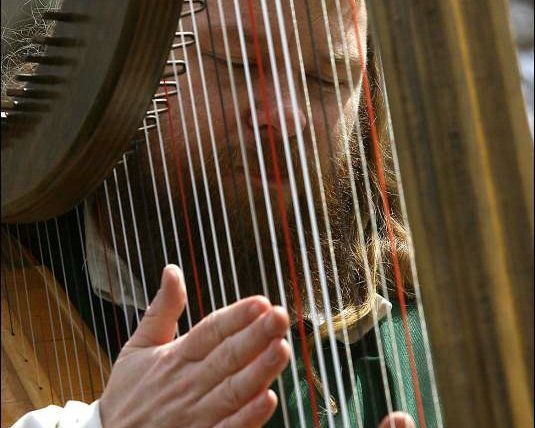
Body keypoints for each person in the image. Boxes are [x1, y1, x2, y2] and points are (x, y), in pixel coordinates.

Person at [10, 0, 429, 426]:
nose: (286, 117)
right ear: (122, 73)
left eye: (328, 78)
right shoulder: (19, 268)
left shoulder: (422, 330)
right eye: (238, 62)